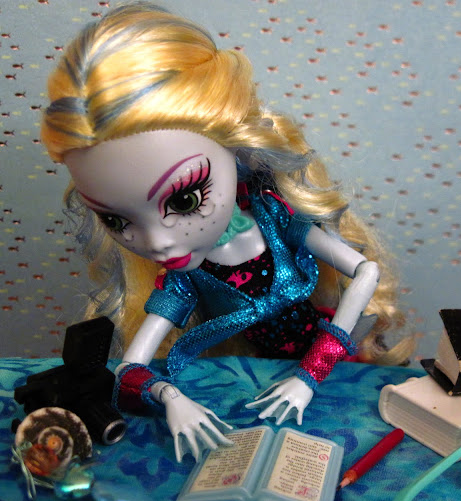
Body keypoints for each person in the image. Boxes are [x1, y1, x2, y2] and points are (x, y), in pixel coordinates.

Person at [42, 2, 414, 462]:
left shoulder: (276, 221)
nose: (158, 243)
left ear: (236, 156)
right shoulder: (183, 280)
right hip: (258, 378)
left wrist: (311, 373)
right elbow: (130, 370)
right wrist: (171, 399)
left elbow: (366, 271)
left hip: (330, 364)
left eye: (184, 200)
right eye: (116, 220)